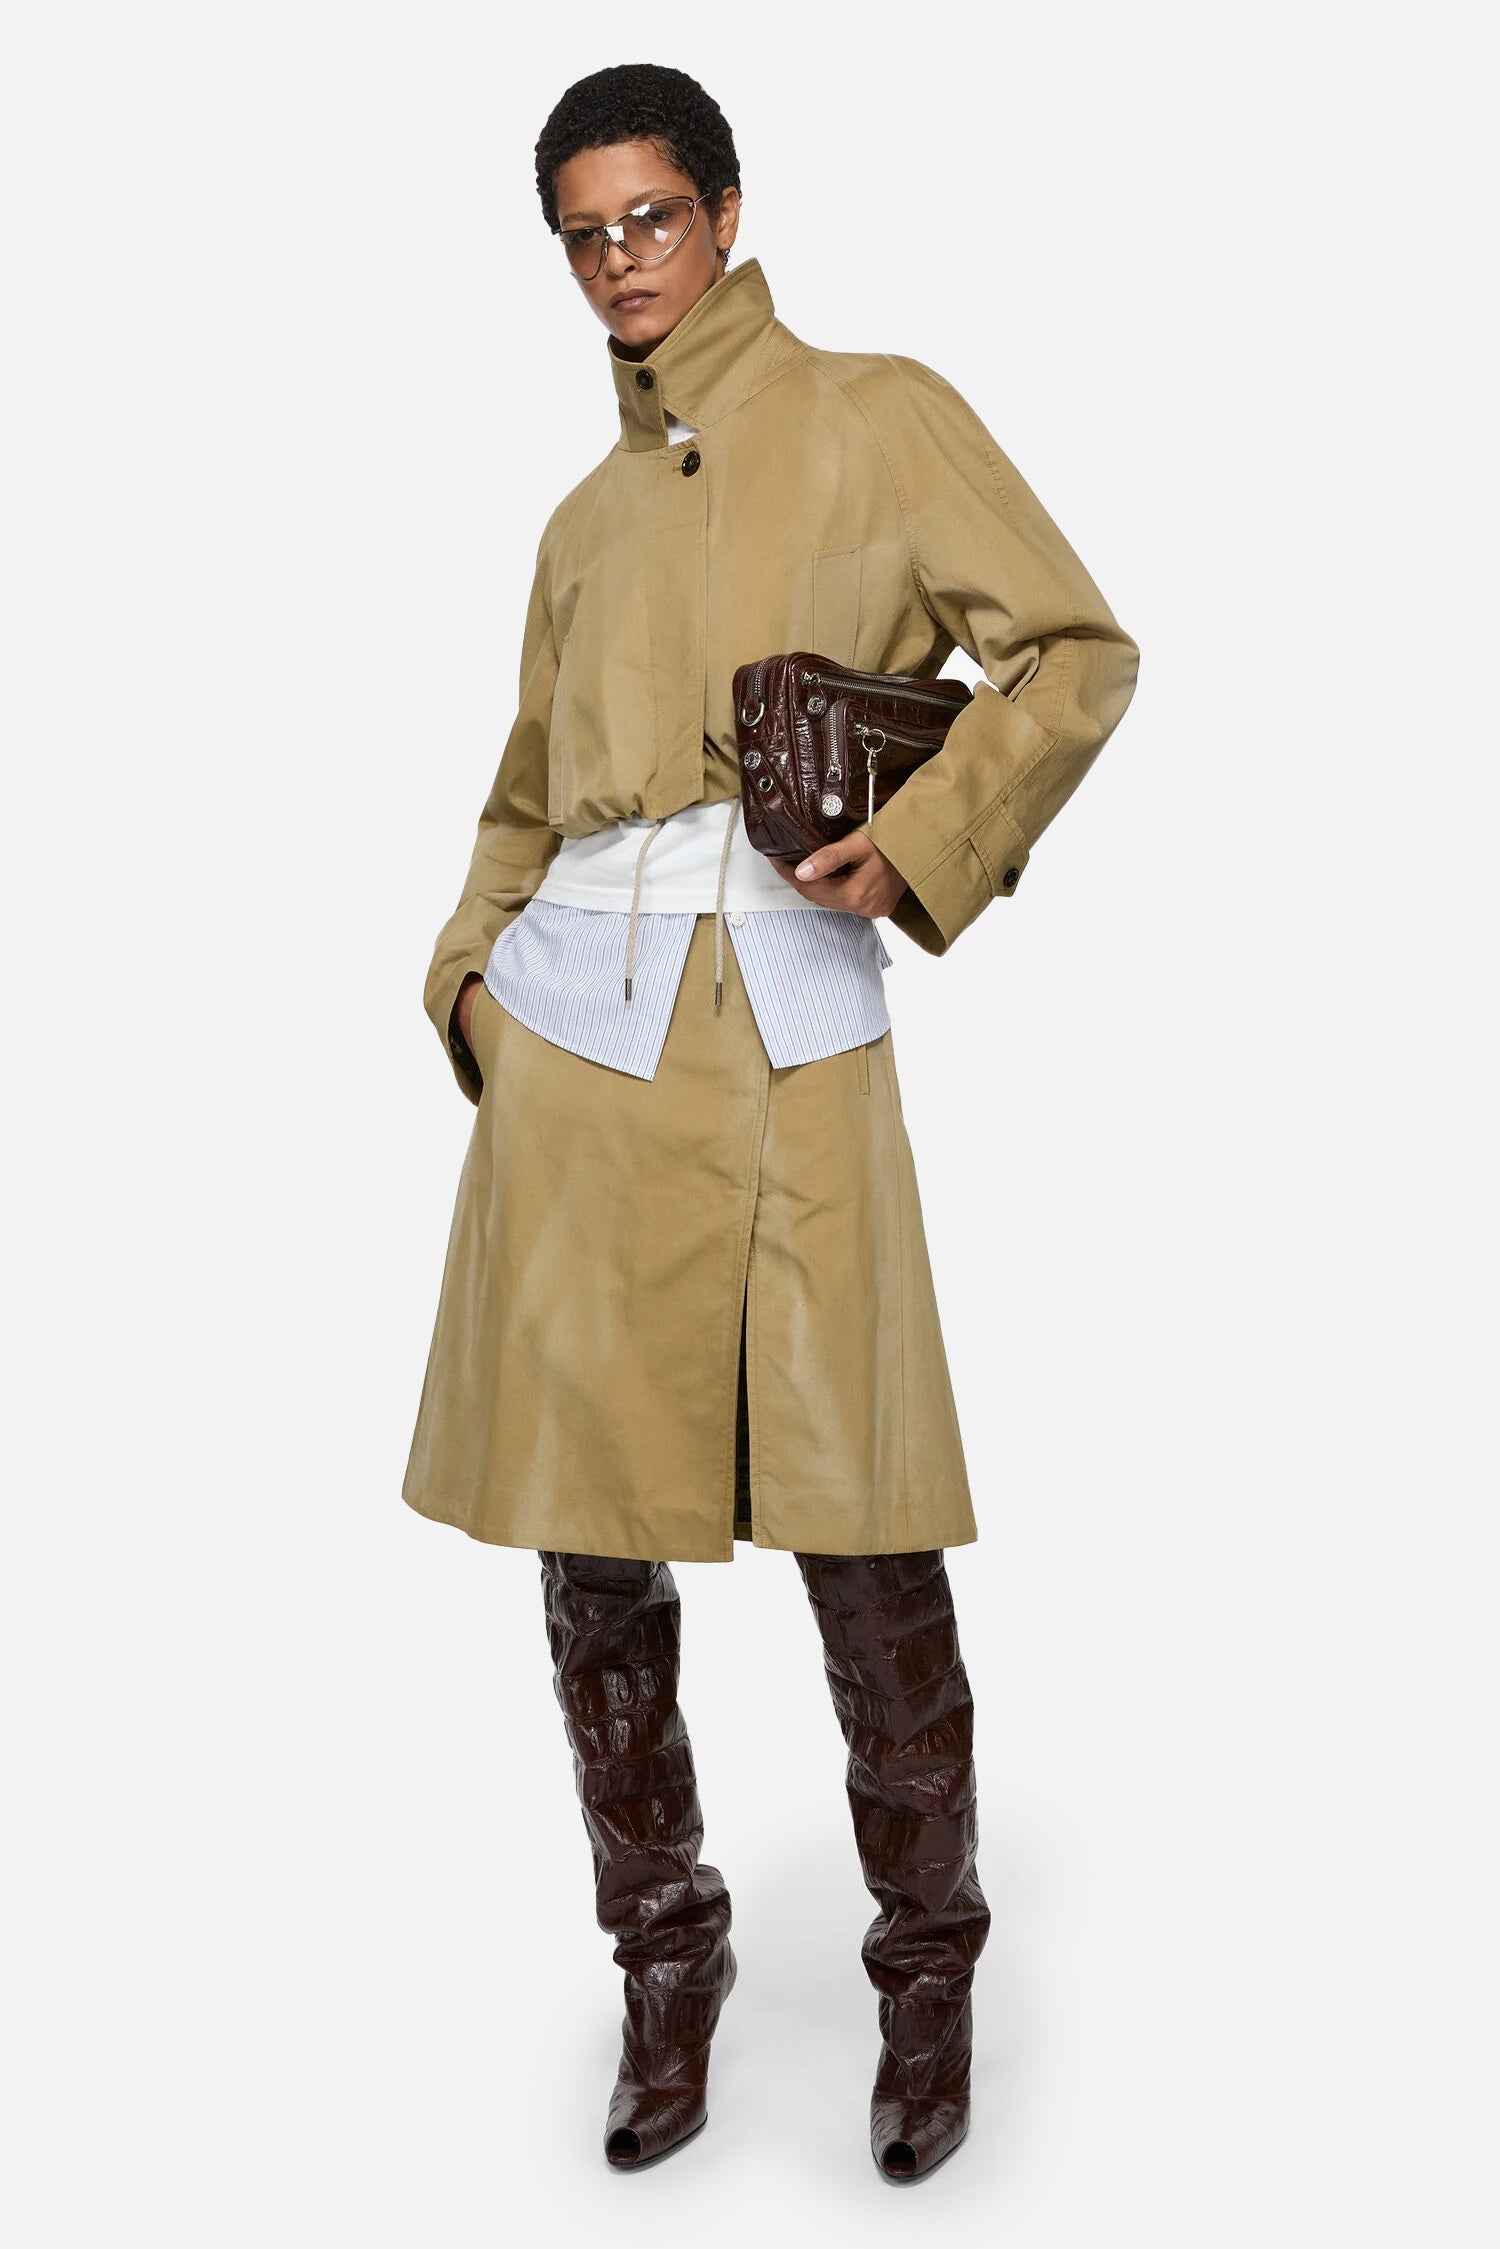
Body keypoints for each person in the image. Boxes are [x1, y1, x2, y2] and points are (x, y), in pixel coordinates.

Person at [403, 63, 1138, 2182]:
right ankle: (667, 1957)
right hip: (575, 1055)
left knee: (861, 1510)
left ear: (725, 210)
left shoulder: (879, 415)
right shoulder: (581, 522)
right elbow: (524, 795)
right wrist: (462, 983)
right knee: (591, 1544)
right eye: (583, 234)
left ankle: (929, 1972)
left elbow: (1074, 655)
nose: (619, 261)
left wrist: (927, 839)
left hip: (789, 1026)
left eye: (648, 217)